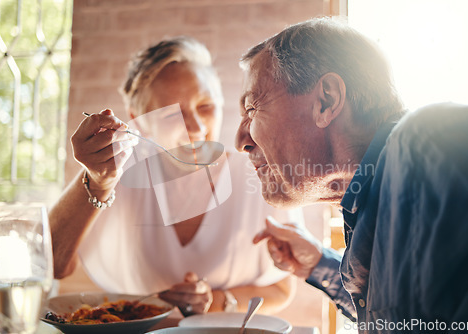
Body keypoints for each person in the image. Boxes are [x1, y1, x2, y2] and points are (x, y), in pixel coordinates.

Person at [235, 18, 468, 332]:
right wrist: (318, 264)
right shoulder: (375, 200)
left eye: (252, 108)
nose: (241, 140)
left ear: (327, 100)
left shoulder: (425, 146)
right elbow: (405, 313)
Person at [49, 36, 306, 315]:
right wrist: (97, 181)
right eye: (172, 114)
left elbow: (281, 290)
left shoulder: (260, 177)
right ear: (139, 120)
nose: (196, 126)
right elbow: (54, 264)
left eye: (206, 106)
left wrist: (214, 302)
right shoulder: (114, 174)